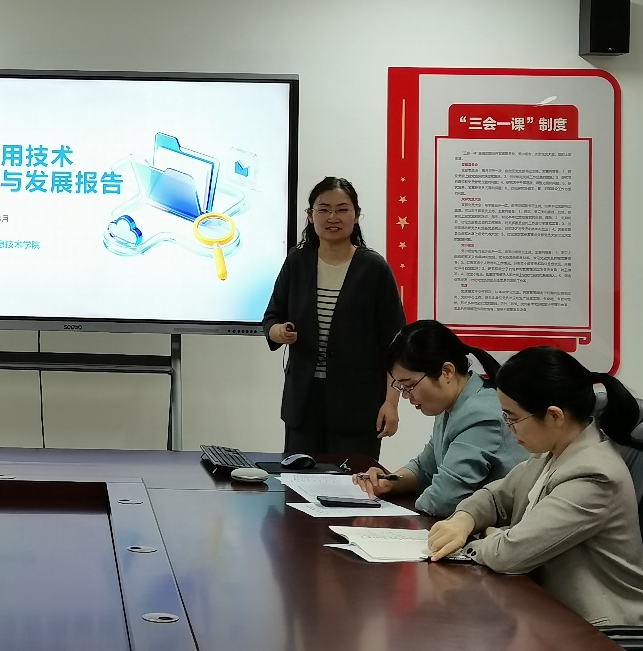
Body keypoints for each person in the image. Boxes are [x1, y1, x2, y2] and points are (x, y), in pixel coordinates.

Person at [427, 346, 643, 627]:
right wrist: (463, 519)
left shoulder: (595, 475)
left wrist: (476, 541)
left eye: (513, 418)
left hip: (598, 631)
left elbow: (509, 554)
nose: (508, 427)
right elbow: (496, 496)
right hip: (547, 610)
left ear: (554, 416)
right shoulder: (552, 453)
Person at [263, 176, 406, 460]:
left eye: (342, 209)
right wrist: (278, 332)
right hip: (303, 403)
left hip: (358, 405)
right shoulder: (297, 261)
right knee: (298, 479)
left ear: (356, 215)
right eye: (324, 209)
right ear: (310, 215)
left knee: (353, 482)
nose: (332, 217)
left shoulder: (374, 268)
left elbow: (395, 344)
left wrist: (391, 403)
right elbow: (271, 317)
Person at [352, 319, 526, 516]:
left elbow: (445, 499)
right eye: (401, 388)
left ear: (447, 372)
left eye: (409, 386)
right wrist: (389, 482)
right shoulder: (452, 405)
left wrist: (404, 507)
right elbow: (425, 468)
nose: (406, 396)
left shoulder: (480, 414)